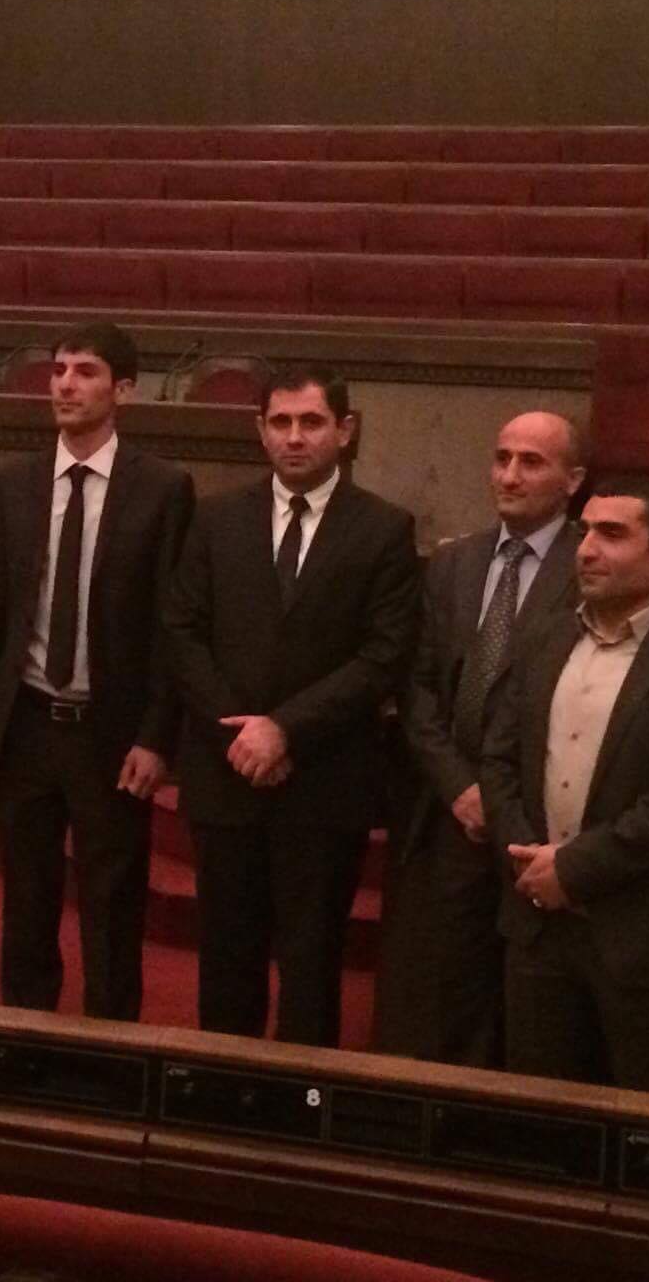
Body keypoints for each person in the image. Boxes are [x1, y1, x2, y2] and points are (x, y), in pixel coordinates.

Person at [163, 364, 418, 1047]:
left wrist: (284, 731)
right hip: (227, 777)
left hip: (323, 779)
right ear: (260, 430)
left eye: (311, 422)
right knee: (226, 958)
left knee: (311, 965)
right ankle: (223, 1087)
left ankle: (303, 1097)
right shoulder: (215, 518)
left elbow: (384, 656)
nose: (294, 437)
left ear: (345, 429)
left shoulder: (384, 529)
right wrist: (240, 736)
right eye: (280, 422)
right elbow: (182, 632)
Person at [478, 481, 649, 1094]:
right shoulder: (542, 637)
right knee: (538, 1118)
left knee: (643, 1125)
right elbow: (498, 760)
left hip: (644, 936)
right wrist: (526, 861)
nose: (587, 549)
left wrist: (572, 869)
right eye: (585, 531)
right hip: (537, 926)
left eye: (613, 534)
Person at [0, 323, 192, 1021]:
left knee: (112, 908)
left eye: (85, 371)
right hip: (26, 723)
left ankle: (111, 1052)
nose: (64, 384)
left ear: (124, 389)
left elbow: (172, 626)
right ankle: (23, 1038)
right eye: (58, 370)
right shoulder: (14, 484)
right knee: (25, 901)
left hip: (109, 731)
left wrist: (156, 736)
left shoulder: (162, 489)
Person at [377, 411, 586, 1067]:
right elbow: (417, 689)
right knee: (443, 994)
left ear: (573, 480)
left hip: (537, 821)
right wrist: (459, 787)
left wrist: (500, 799)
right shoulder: (454, 562)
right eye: (502, 458)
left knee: (525, 1012)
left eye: (532, 462)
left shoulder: (592, 562)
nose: (510, 475)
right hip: (450, 810)